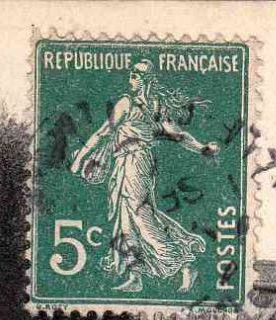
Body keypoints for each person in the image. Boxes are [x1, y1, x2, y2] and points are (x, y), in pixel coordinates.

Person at [68, 59, 219, 293]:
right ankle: (135, 274)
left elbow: (177, 135)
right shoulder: (139, 104)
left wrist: (201, 148)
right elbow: (105, 132)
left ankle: (185, 263)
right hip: (124, 164)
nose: (132, 77)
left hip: (136, 163)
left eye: (137, 74)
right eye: (132, 73)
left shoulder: (140, 105)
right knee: (125, 220)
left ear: (147, 79)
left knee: (141, 217)